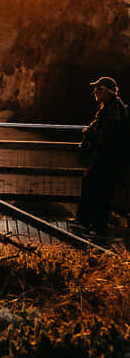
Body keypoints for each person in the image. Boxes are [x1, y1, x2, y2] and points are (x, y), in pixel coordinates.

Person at [73, 76, 128, 239]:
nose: (95, 91)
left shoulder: (113, 110)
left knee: (100, 192)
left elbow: (108, 135)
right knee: (92, 187)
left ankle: (98, 229)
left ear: (108, 91)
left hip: (107, 159)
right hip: (105, 158)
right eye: (95, 89)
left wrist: (93, 140)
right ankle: (86, 222)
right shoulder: (110, 107)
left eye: (99, 89)